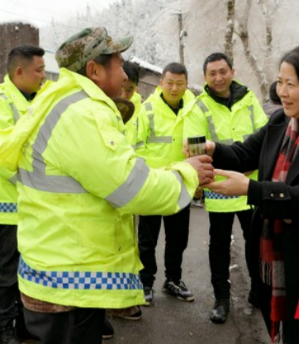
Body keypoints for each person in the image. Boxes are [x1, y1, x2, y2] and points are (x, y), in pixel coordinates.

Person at [0, 27, 214, 344]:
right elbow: (131, 188)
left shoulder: (64, 101)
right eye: (118, 62)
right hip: (67, 283)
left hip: (60, 271)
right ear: (94, 70)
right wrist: (188, 174)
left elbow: (113, 173)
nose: (125, 71)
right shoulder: (82, 113)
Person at [200, 44, 299, 344]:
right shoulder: (280, 122)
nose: (282, 92)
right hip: (279, 261)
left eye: (292, 84)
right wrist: (213, 149)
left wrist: (252, 190)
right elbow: (243, 154)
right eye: (280, 82)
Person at [183, 52, 268, 324]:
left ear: (232, 71)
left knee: (255, 242)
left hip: (248, 186)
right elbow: (195, 150)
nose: (218, 77)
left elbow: (265, 138)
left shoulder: (250, 99)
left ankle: (258, 290)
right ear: (205, 77)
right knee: (218, 245)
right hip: (219, 186)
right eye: (212, 73)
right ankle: (222, 298)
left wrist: (249, 171)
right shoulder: (199, 107)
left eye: (223, 71)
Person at [135, 62, 196, 305]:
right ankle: (145, 282)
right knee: (147, 238)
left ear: (186, 84)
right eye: (169, 83)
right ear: (161, 83)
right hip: (152, 184)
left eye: (179, 83)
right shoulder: (147, 109)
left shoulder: (194, 108)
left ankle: (173, 279)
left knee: (178, 237)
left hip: (181, 183)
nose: (174, 88)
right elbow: (136, 146)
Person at [0, 45, 46, 344]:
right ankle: (5, 326)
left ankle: (23, 324)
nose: (44, 76)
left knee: (28, 268)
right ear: (19, 72)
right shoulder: (3, 102)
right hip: (8, 204)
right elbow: (5, 154)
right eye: (39, 70)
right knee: (6, 271)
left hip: (33, 203)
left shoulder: (39, 98)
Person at [120, 61, 142, 144]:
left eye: (129, 90)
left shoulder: (141, 113)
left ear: (136, 89)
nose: (124, 96)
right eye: (121, 87)